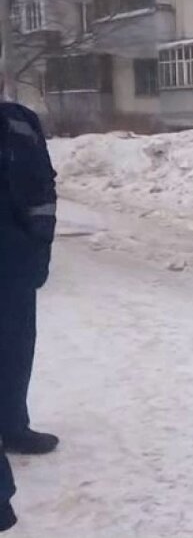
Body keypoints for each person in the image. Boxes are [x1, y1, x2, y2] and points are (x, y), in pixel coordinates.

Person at [0, 103, 59, 478]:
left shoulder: (20, 121)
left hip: (14, 254)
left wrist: (40, 243)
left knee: (16, 344)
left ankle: (12, 427)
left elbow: (42, 184)